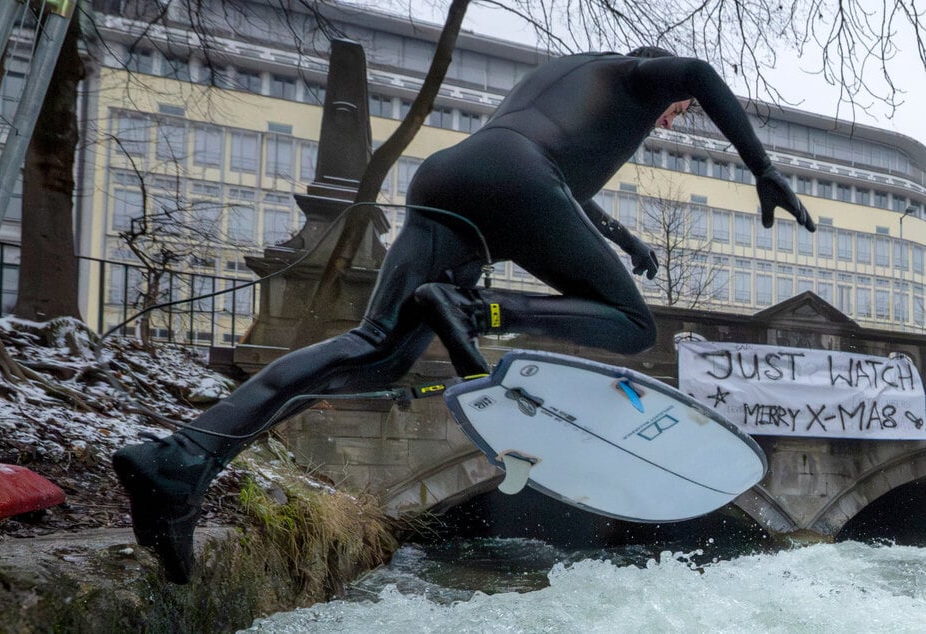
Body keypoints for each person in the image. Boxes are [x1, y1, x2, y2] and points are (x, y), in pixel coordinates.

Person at [112, 46, 815, 583]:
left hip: (451, 178)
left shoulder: (563, 76)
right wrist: (761, 167)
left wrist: (621, 236)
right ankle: (477, 309)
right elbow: (695, 71)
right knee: (631, 327)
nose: (675, 116)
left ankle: (182, 460)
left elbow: (549, 169)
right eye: (678, 111)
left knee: (375, 349)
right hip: (513, 186)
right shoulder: (639, 76)